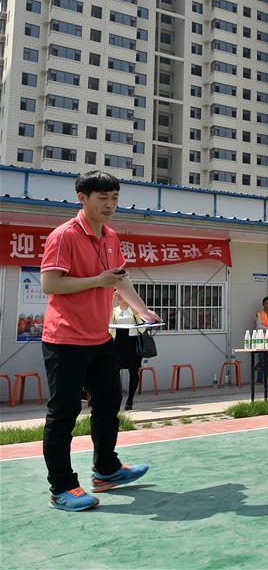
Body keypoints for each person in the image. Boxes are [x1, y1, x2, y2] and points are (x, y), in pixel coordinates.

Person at [40, 171, 161, 511]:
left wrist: (143, 310)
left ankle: (106, 470)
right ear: (83, 198)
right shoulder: (64, 235)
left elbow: (119, 280)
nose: (110, 205)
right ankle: (61, 488)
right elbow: (50, 284)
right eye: (103, 198)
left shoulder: (110, 236)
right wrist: (97, 280)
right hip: (64, 339)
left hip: (99, 337)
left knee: (109, 403)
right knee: (63, 413)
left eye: (115, 198)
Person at [108, 292, 146, 411]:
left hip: (132, 343)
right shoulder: (115, 310)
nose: (119, 295)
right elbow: (109, 323)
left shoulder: (133, 309)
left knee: (133, 371)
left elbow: (142, 326)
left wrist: (134, 308)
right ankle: (116, 398)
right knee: (114, 371)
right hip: (118, 343)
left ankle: (130, 400)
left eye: (121, 294)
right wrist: (112, 301)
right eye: (117, 294)